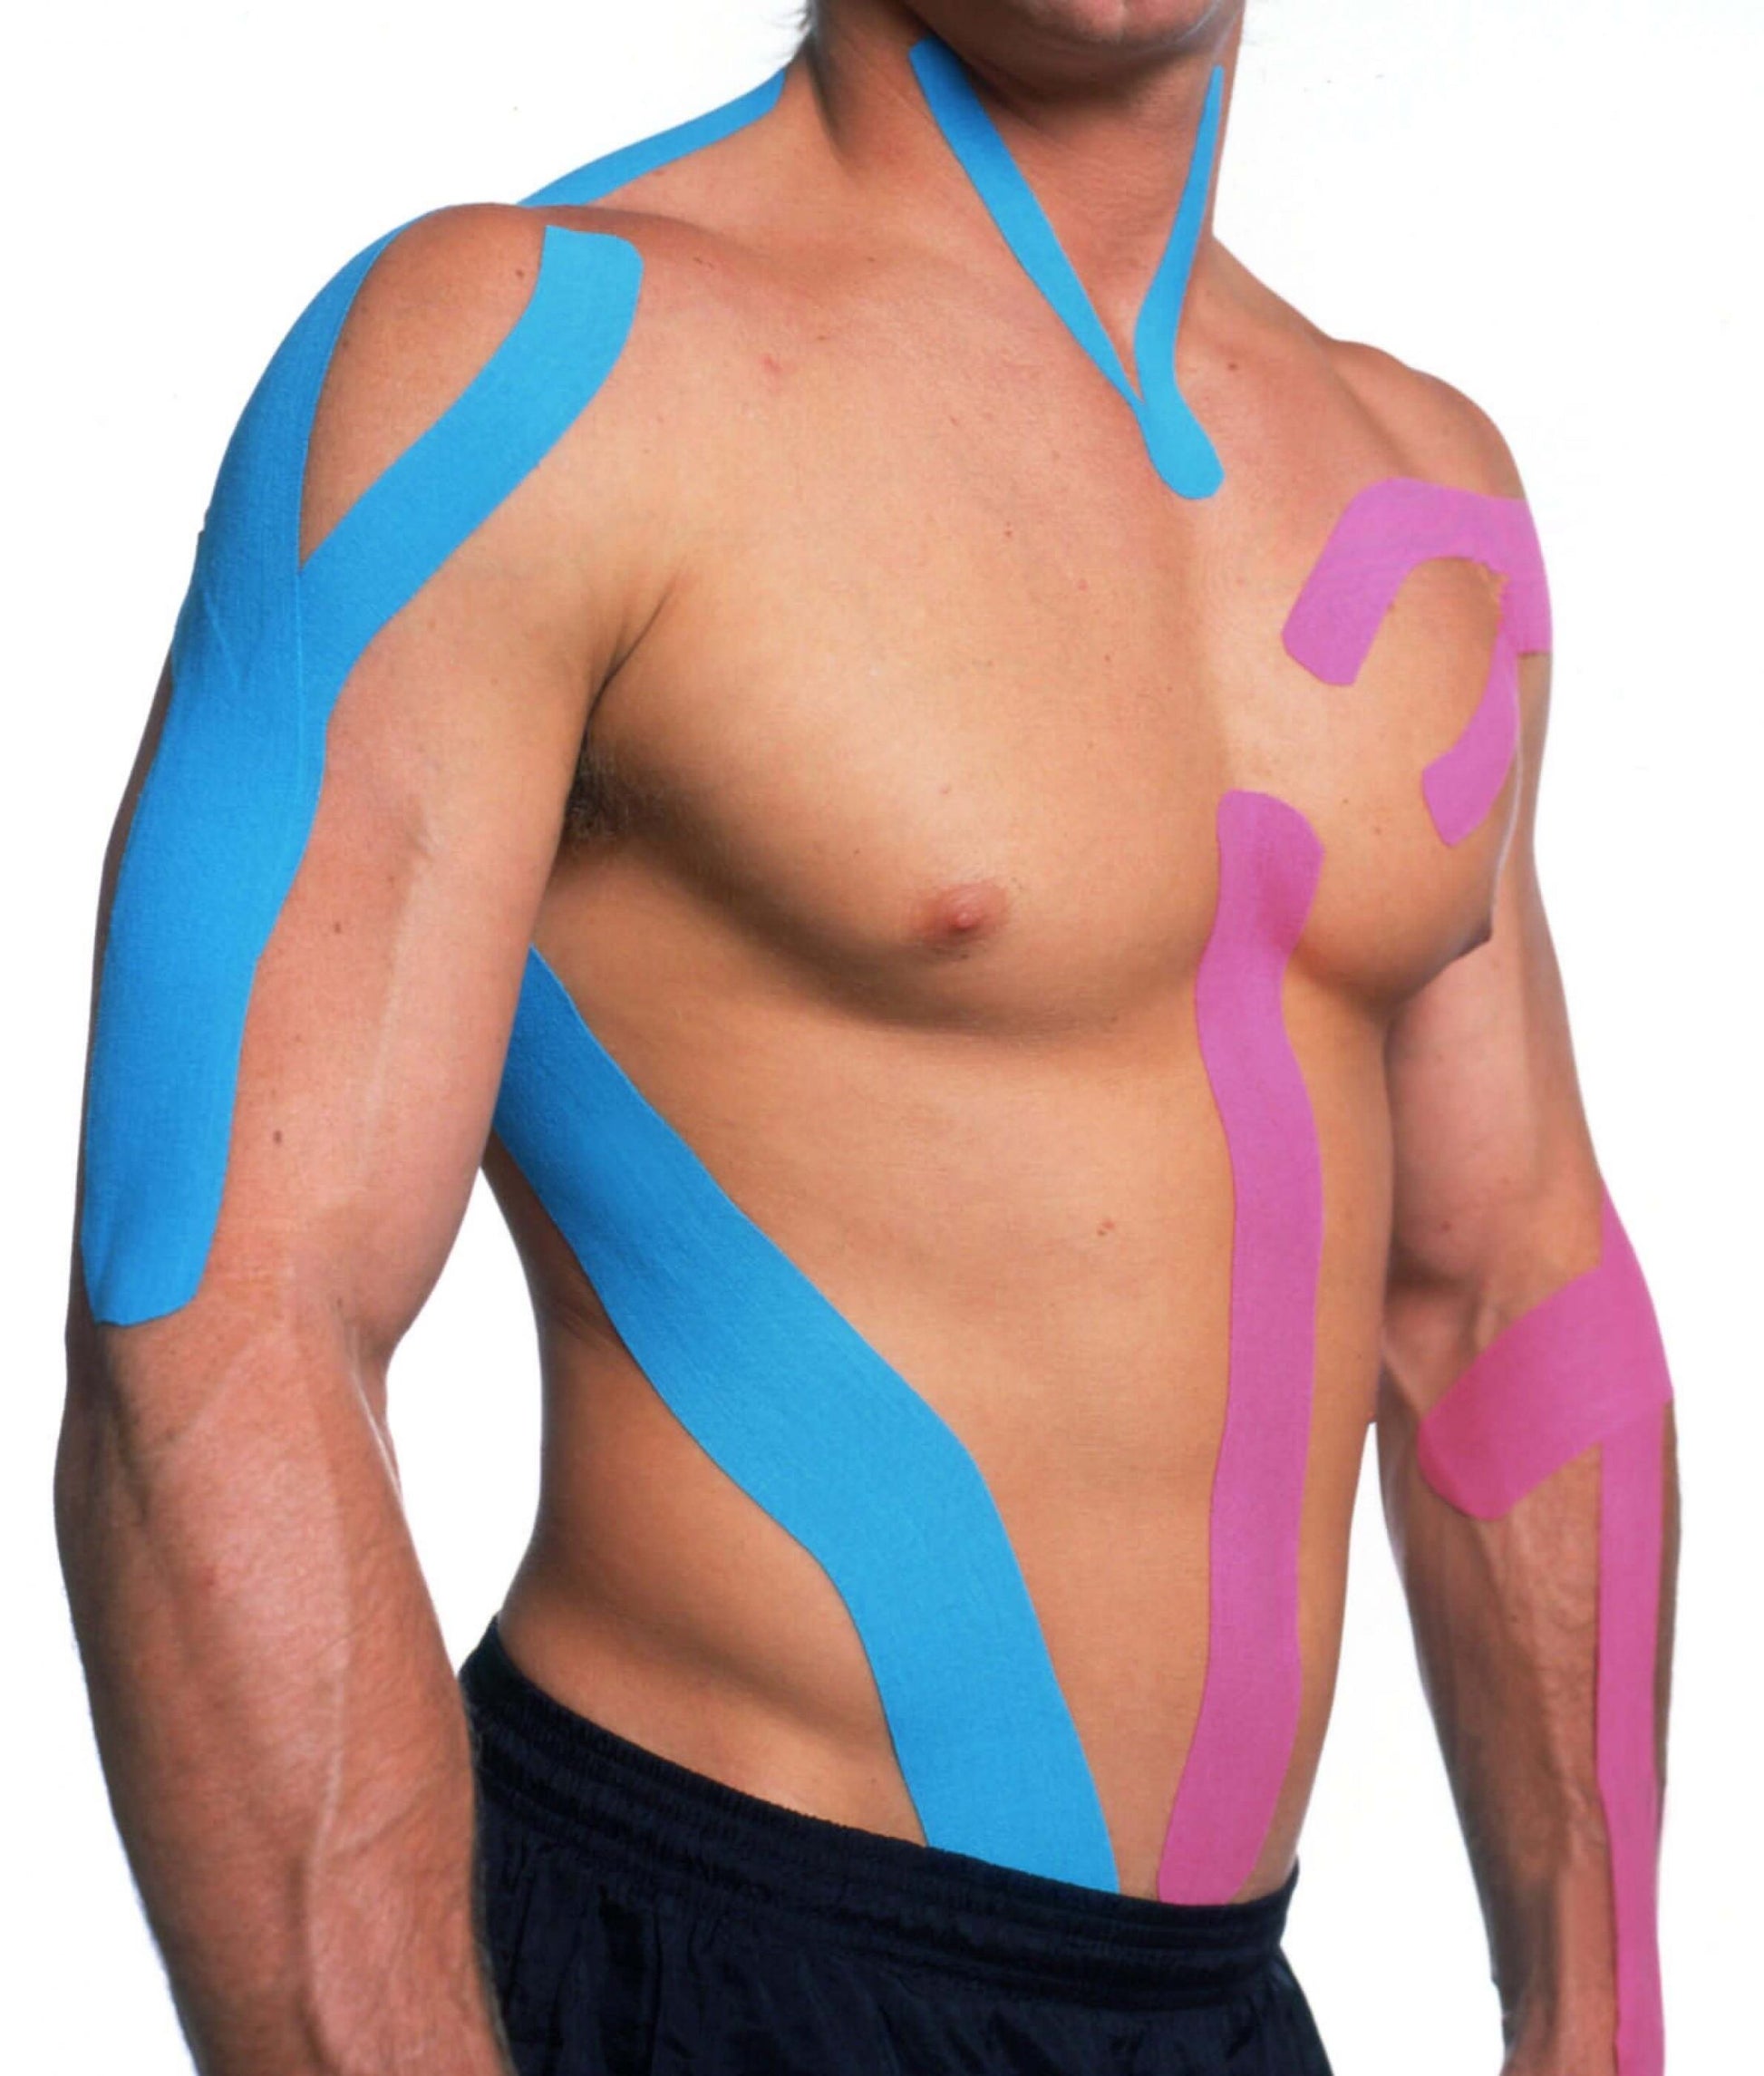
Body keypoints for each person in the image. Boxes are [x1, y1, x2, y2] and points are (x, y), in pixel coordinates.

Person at [57, 2, 1680, 2071]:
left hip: (1215, 2014)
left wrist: (1599, 2014)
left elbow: (1500, 1288)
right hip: (703, 1959)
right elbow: (217, 1326)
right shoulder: (535, 365)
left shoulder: (1420, 485)